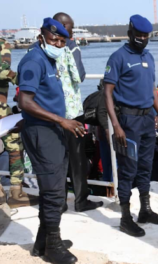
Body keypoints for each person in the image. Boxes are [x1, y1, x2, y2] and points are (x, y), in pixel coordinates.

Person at [17, 18, 82, 264]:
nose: (57, 44)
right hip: (43, 132)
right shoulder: (34, 60)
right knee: (54, 191)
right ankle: (53, 245)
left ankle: (42, 242)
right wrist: (62, 120)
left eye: (62, 41)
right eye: (54, 39)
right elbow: (25, 101)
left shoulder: (49, 58)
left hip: (51, 129)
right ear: (41, 36)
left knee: (53, 187)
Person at [104, 15, 158, 237]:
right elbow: (107, 93)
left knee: (145, 167)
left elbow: (152, 90)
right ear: (130, 32)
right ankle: (125, 217)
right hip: (128, 122)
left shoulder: (149, 57)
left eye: (146, 35)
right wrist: (116, 126)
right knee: (128, 170)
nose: (142, 38)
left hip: (147, 120)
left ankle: (145, 210)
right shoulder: (118, 57)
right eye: (139, 34)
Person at [51, 12, 103, 213]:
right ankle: (81, 200)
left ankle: (60, 201)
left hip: (52, 112)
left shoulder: (41, 47)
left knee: (57, 159)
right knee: (77, 157)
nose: (72, 33)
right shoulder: (70, 46)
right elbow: (80, 75)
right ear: (62, 26)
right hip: (72, 112)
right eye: (71, 28)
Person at [0, 38, 38, 208]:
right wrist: (17, 77)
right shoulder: (2, 45)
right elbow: (2, 70)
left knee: (15, 146)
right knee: (15, 145)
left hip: (2, 110)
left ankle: (16, 192)